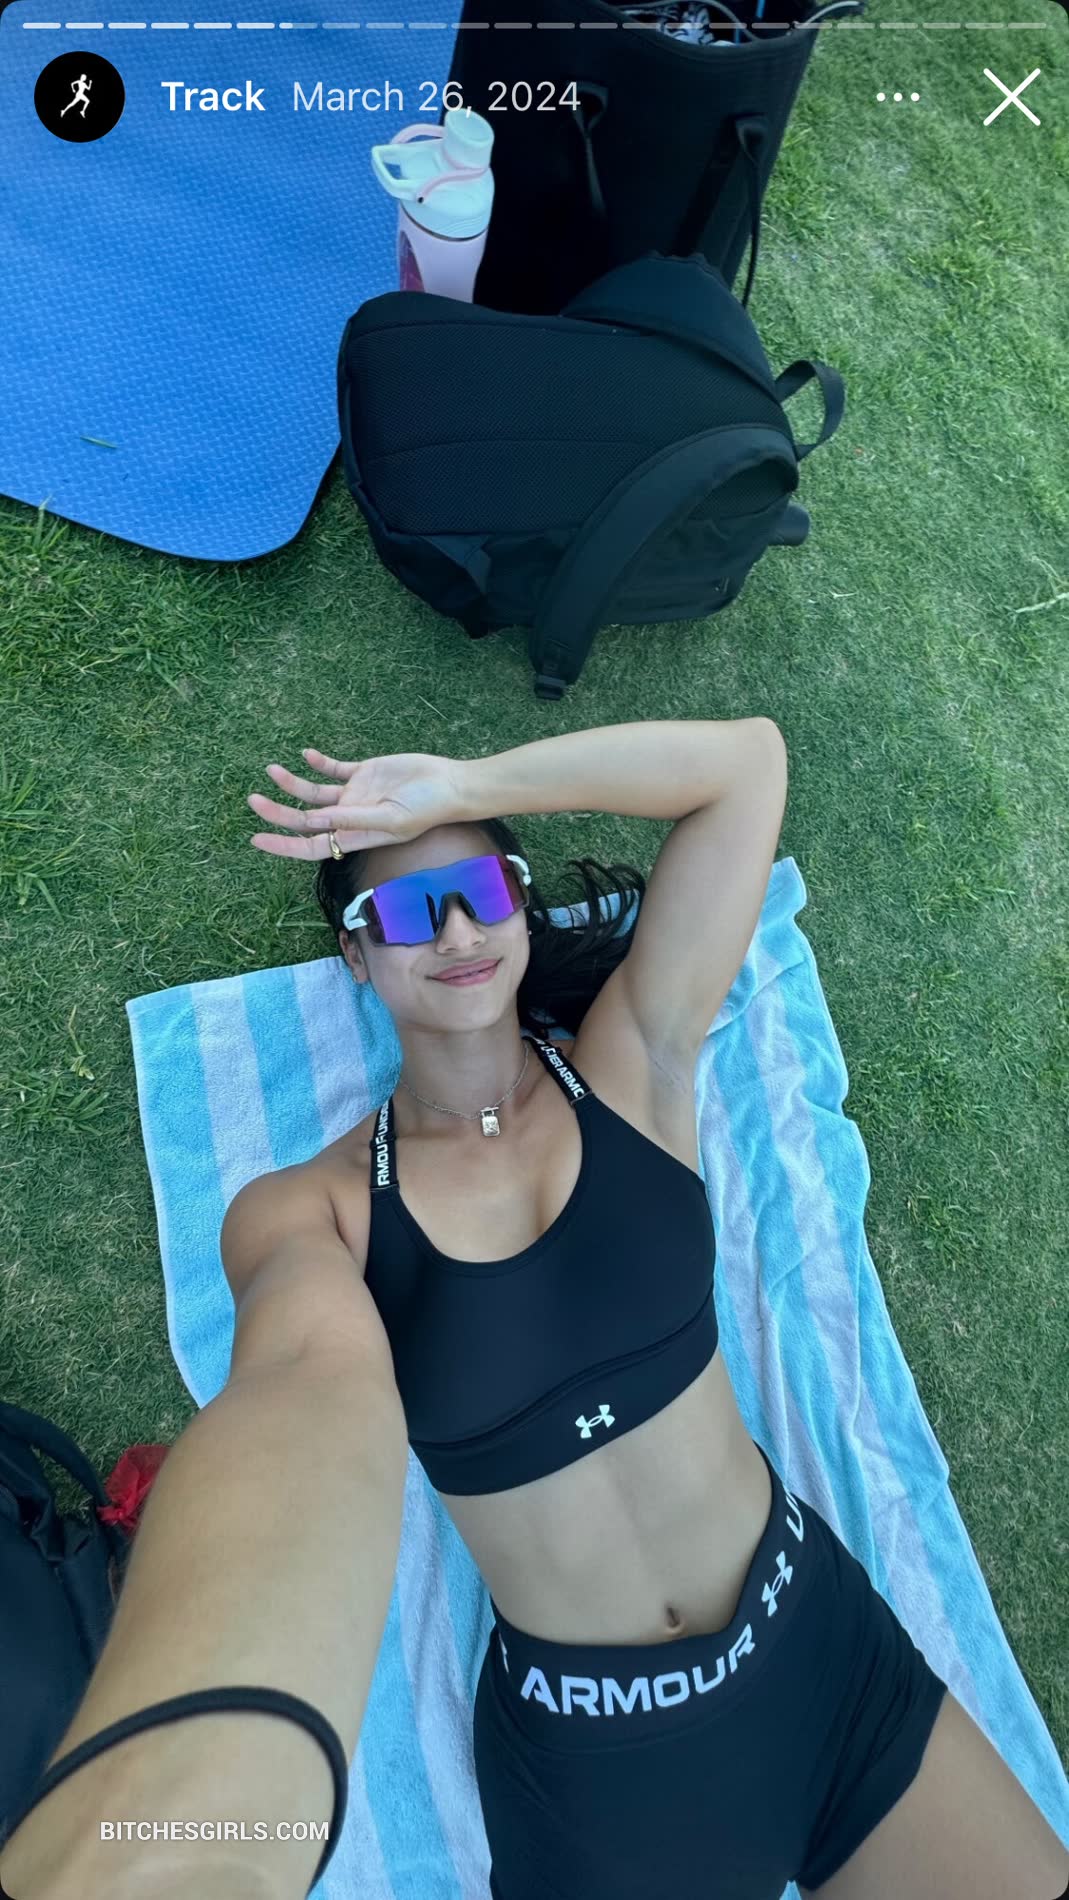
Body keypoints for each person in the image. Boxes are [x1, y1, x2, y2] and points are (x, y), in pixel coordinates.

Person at [2, 720, 1066, 1900]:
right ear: (357, 957)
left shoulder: (635, 1065)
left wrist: (464, 783)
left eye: (484, 890)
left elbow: (745, 769)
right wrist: (206, 1784)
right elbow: (294, 1398)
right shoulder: (314, 1209)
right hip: (603, 1774)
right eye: (411, 912)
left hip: (822, 1650)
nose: (458, 930)